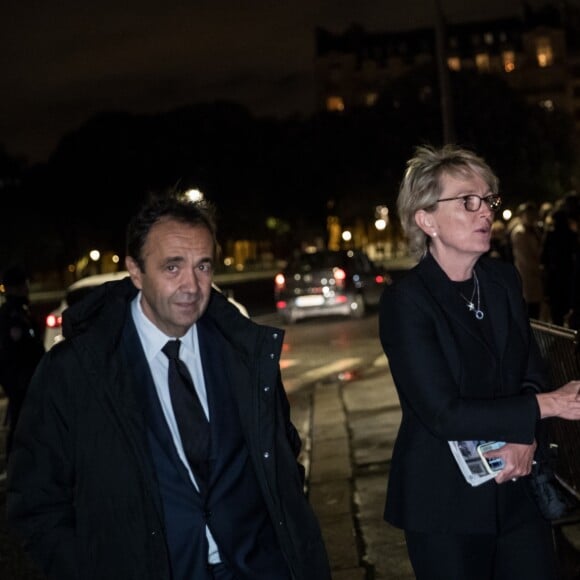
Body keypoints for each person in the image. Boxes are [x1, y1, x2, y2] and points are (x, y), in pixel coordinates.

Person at [7, 193, 331, 580]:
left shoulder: (245, 354)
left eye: (203, 266)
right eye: (172, 267)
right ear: (136, 271)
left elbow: (282, 459)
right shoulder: (75, 372)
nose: (191, 286)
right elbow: (37, 503)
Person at [378, 144, 580, 580]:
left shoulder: (504, 281)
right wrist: (549, 406)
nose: (485, 212)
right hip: (444, 504)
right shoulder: (406, 302)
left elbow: (530, 370)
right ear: (426, 219)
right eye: (467, 201)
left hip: (516, 484)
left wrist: (524, 435)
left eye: (489, 200)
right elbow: (443, 413)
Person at [0, 265, 45, 459]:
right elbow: (12, 352)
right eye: (24, 283)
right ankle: (15, 465)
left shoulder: (21, 311)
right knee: (22, 424)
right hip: (21, 381)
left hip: (27, 379)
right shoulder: (11, 315)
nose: (28, 287)